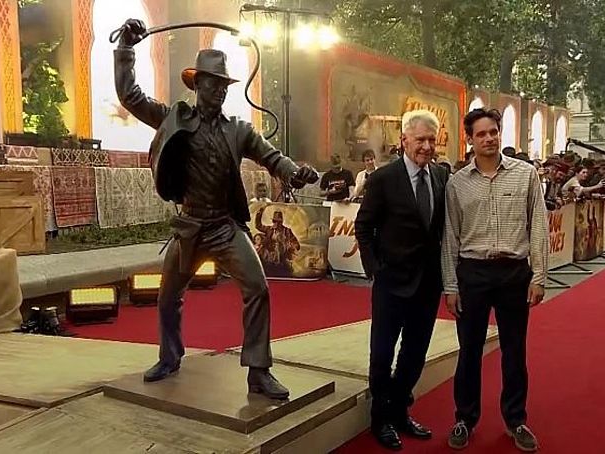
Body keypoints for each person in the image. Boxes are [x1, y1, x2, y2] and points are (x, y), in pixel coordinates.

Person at [113, 19, 318, 397]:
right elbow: (131, 97)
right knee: (167, 297)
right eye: (213, 83)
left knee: (257, 288)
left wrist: (295, 172)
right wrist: (125, 50)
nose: (220, 90)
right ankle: (170, 356)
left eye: (225, 85)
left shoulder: (238, 129)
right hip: (189, 227)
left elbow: (271, 156)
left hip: (225, 228)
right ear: (197, 84)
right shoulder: (174, 117)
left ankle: (258, 371)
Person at [442, 108, 548, 452]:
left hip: (514, 274)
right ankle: (464, 418)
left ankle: (516, 419)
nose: (489, 138)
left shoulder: (525, 175)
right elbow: (450, 238)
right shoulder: (457, 184)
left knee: (515, 351)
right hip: (472, 274)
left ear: (500, 134)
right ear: (470, 140)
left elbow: (539, 228)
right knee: (469, 351)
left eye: (493, 132)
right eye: (481, 134)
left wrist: (539, 276)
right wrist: (451, 286)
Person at [355, 110, 449, 450]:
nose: (425, 146)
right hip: (391, 283)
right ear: (404, 141)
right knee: (382, 354)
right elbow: (363, 226)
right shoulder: (383, 179)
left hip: (427, 285)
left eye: (430, 140)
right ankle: (379, 419)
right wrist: (374, 268)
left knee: (414, 355)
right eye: (419, 139)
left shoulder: (440, 177)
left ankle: (399, 411)